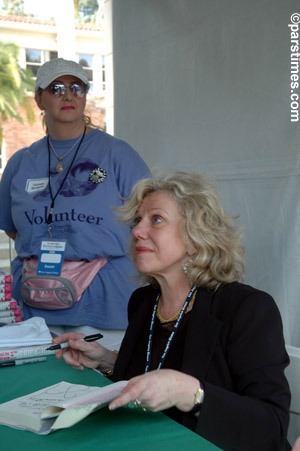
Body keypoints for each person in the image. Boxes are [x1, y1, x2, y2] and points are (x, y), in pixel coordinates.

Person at [53, 171, 291, 450]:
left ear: (195, 236)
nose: (137, 231)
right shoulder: (143, 301)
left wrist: (193, 393)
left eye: (156, 219)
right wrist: (106, 360)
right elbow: (150, 375)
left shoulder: (246, 309)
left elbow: (271, 427)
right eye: (137, 221)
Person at [0, 57, 150, 349]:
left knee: (101, 387)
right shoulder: (20, 162)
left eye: (76, 87)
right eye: (56, 88)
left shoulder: (117, 154)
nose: (67, 95)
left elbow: (148, 219)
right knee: (39, 388)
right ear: (39, 99)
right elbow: (12, 228)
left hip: (104, 305)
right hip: (35, 304)